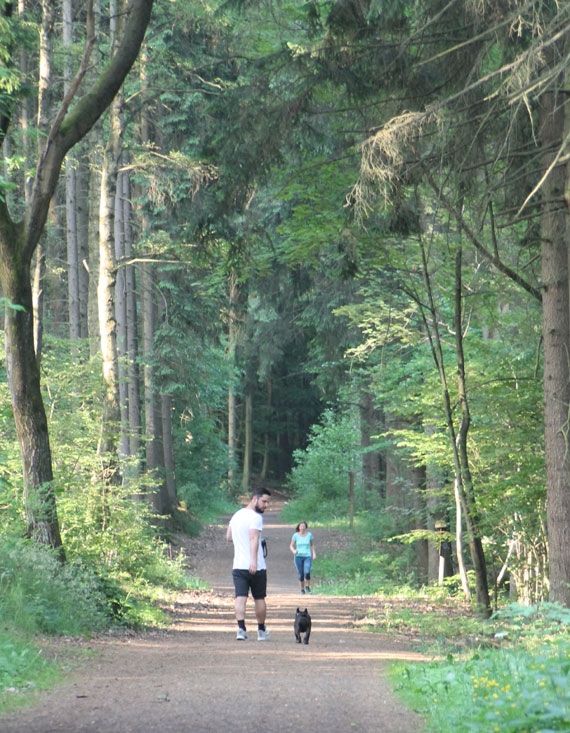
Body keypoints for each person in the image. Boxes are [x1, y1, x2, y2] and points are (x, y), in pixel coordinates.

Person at [226, 488, 272, 641]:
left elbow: (229, 537)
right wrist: (253, 560)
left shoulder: (236, 515)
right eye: (264, 501)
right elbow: (253, 538)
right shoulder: (255, 517)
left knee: (240, 597)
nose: (266, 505)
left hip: (238, 565)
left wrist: (241, 540)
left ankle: (241, 629)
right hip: (256, 566)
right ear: (254, 499)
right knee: (259, 598)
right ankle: (261, 630)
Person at [289, 521, 316, 594]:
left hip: (307, 556)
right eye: (301, 526)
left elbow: (312, 545)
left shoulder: (309, 535)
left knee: (307, 572)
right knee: (301, 574)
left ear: (306, 527)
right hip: (298, 556)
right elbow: (291, 545)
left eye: (304, 526)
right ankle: (302, 589)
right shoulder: (295, 535)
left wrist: (314, 553)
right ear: (299, 527)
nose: (302, 528)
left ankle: (307, 587)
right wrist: (294, 551)